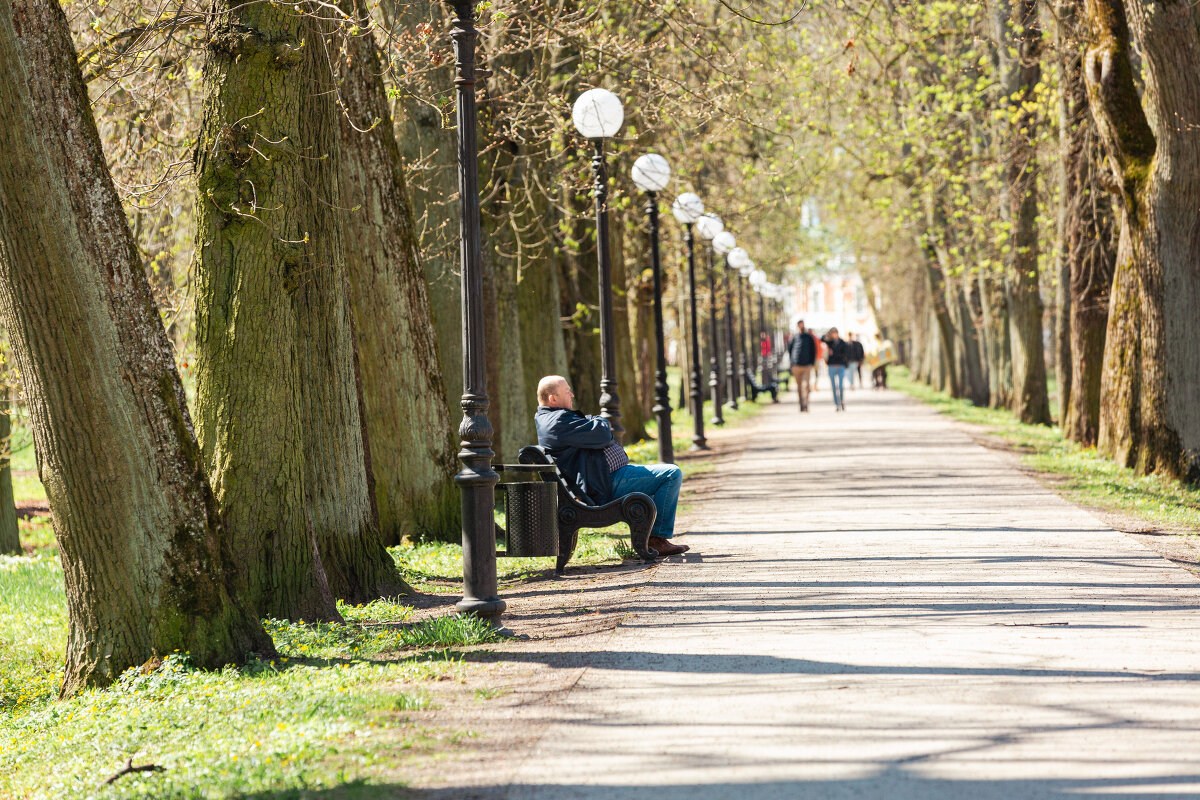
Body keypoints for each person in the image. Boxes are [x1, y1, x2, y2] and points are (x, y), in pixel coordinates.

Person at [534, 375, 689, 557]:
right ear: (553, 398)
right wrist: (599, 422)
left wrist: (597, 422)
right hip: (603, 485)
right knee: (671, 474)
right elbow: (601, 433)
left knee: (667, 475)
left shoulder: (557, 419)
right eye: (567, 392)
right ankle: (656, 539)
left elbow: (598, 428)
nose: (572, 395)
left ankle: (654, 537)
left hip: (605, 478)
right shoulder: (556, 423)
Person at [785, 320, 819, 412]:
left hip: (806, 366)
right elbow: (790, 350)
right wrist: (792, 363)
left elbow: (814, 350)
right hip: (796, 365)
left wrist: (812, 363)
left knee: (805, 386)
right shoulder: (794, 337)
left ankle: (805, 404)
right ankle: (801, 404)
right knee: (799, 387)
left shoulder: (809, 337)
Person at [821, 327, 850, 411]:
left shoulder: (842, 342)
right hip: (831, 366)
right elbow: (822, 338)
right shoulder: (829, 342)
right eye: (832, 333)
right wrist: (828, 334)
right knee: (833, 386)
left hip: (841, 366)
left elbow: (846, 353)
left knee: (841, 386)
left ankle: (841, 401)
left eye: (835, 332)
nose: (834, 334)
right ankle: (836, 404)